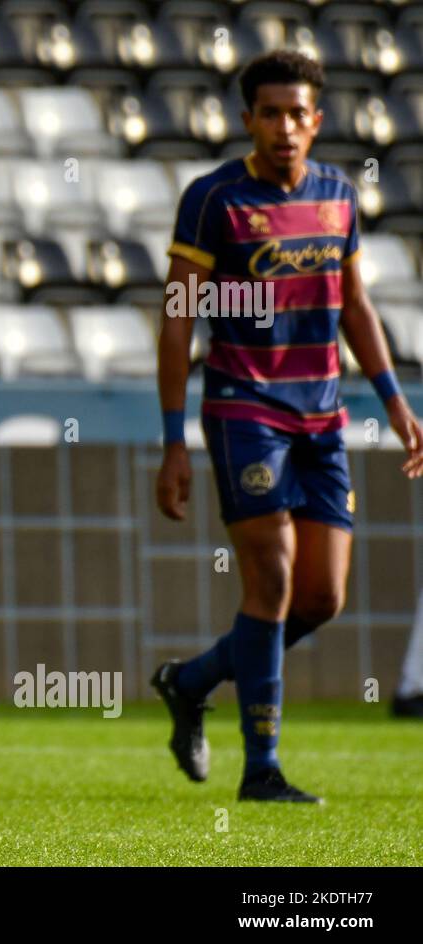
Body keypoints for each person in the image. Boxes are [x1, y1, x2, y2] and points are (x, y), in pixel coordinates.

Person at [150, 50, 423, 803]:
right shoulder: (214, 199)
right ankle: (261, 768)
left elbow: (355, 305)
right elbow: (178, 319)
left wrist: (395, 400)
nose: (283, 126)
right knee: (269, 578)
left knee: (321, 598)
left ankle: (193, 680)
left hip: (323, 416)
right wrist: (173, 437)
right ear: (247, 120)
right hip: (244, 409)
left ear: (317, 120)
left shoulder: (338, 194)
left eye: (296, 113)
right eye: (268, 113)